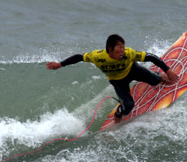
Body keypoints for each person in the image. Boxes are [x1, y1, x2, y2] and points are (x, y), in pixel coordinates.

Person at [46, 34, 179, 124]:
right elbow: (79, 57)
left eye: (123, 47)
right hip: (117, 81)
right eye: (119, 47)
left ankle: (157, 75)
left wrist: (167, 69)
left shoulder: (129, 54)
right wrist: (60, 64)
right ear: (110, 48)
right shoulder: (98, 57)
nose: (122, 50)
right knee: (128, 106)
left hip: (132, 70)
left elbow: (150, 57)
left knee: (156, 81)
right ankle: (118, 114)